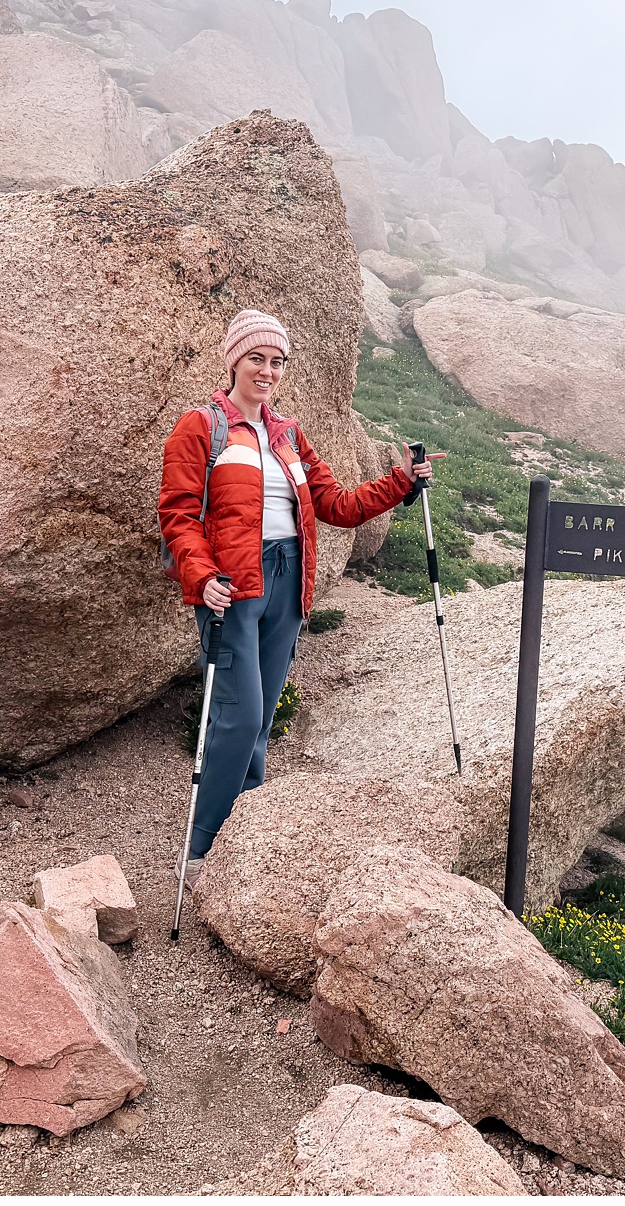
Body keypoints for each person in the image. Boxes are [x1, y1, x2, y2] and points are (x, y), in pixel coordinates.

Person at [157, 309, 437, 886]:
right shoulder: (201, 427)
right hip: (232, 588)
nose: (267, 371)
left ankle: (242, 841)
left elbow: (337, 506)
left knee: (261, 722)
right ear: (234, 361)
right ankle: (201, 850)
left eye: (277, 361)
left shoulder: (289, 435)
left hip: (288, 582)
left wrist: (402, 482)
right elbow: (178, 516)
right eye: (256, 358)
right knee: (238, 719)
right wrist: (201, 576)